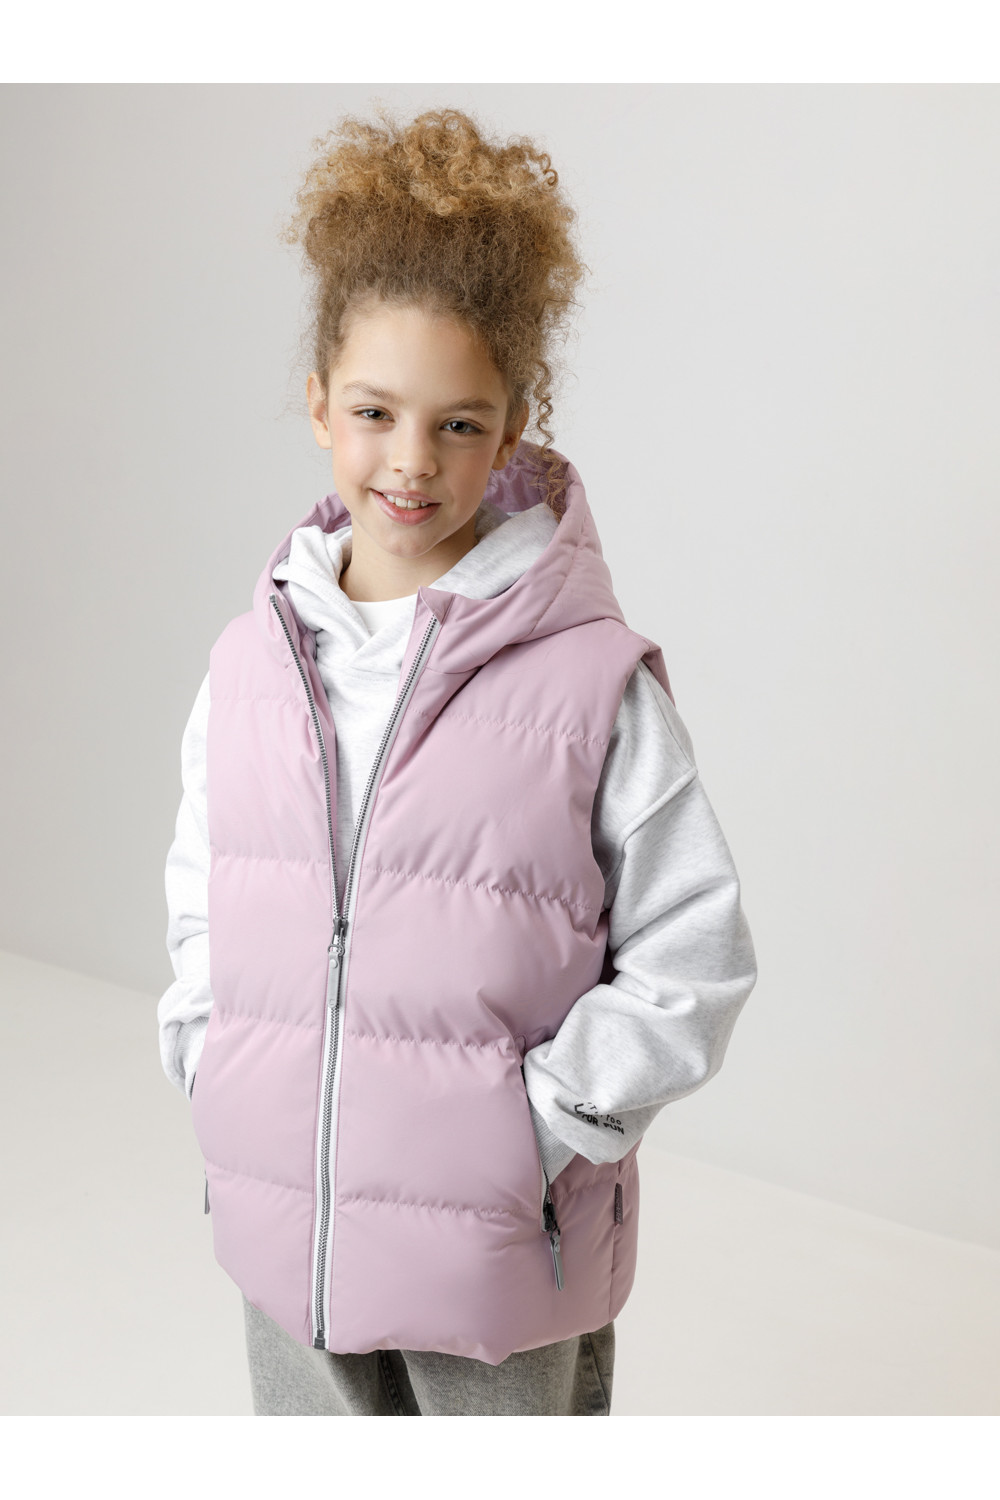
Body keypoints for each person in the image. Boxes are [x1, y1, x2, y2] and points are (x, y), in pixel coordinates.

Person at [157, 104, 758, 1417]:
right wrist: (215, 1064)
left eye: (461, 424)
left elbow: (695, 953)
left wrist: (538, 1131)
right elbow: (205, 895)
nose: (411, 462)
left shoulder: (591, 685)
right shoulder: (251, 665)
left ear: (517, 425)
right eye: (375, 411)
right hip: (286, 1234)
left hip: (495, 1261)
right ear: (319, 401)